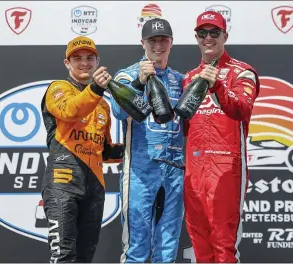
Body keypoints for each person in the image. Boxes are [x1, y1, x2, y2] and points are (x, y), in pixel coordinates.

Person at [183, 11, 260, 263]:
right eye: (202, 33)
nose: (208, 38)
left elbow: (242, 109)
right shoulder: (188, 78)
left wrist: (217, 86)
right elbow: (184, 127)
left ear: (225, 35)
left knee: (224, 247)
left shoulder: (242, 72)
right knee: (200, 246)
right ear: (196, 37)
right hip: (194, 169)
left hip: (226, 167)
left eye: (214, 32)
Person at [40, 36, 124, 263]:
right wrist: (96, 88)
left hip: (94, 185)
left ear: (97, 61)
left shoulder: (103, 104)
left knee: (85, 257)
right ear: (67, 63)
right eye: (77, 59)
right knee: (64, 255)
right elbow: (70, 111)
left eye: (89, 58)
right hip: (63, 181)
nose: (84, 63)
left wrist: (134, 148)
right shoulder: (58, 88)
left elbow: (104, 150)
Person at [110, 18, 185, 263]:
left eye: (163, 40)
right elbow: (118, 112)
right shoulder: (127, 75)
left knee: (167, 249)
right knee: (137, 249)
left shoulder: (179, 79)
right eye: (153, 40)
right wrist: (139, 83)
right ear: (143, 43)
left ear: (171, 43)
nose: (158, 45)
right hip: (140, 172)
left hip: (174, 171)